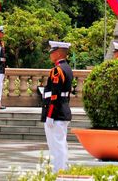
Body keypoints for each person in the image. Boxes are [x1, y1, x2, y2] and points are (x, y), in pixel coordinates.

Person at [41, 41, 73, 173]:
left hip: (56, 114)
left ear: (59, 53)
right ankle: (63, 170)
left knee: (56, 147)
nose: (50, 54)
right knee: (61, 145)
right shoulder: (67, 68)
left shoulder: (57, 71)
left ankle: (58, 173)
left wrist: (50, 115)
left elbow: (55, 96)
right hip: (63, 110)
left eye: (52, 52)